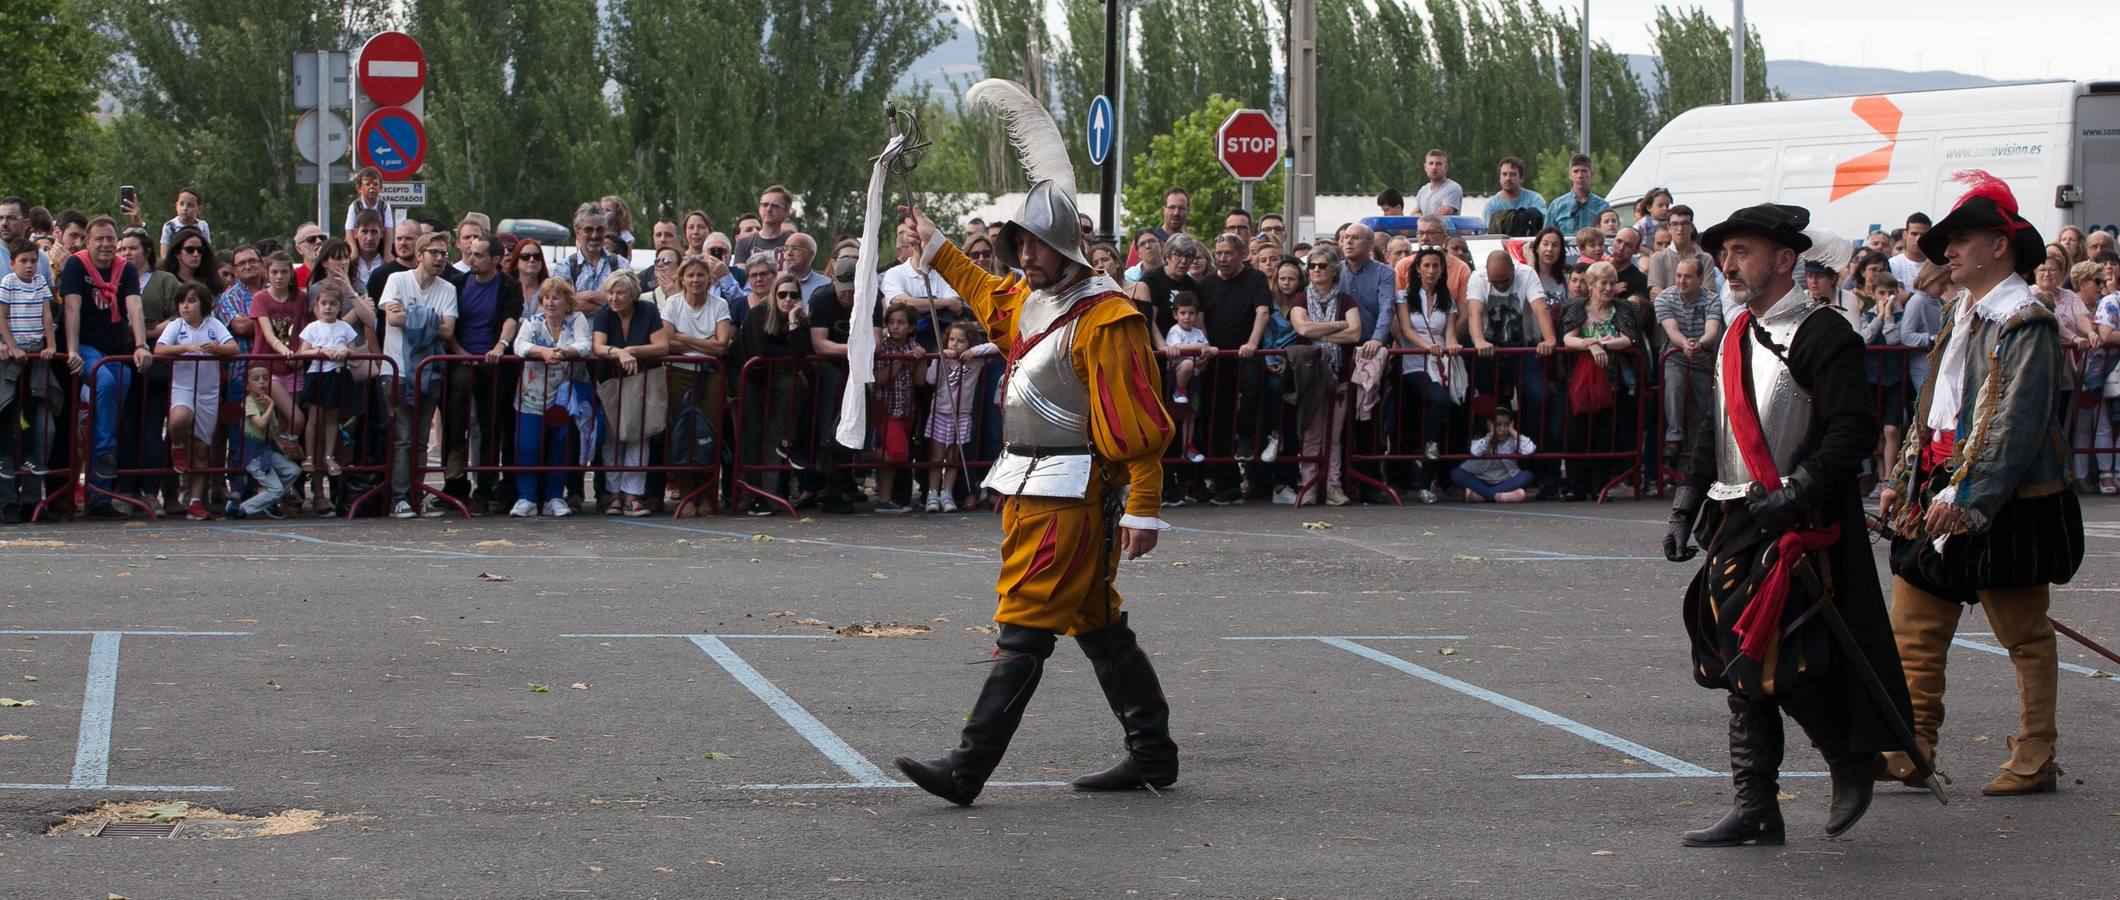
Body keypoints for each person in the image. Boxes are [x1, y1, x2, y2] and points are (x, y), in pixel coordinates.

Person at [892, 80, 1176, 806]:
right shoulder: (1028, 299)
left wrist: (1143, 507)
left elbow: (1138, 425)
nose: (1024, 257)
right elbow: (986, 295)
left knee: (1023, 624)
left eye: (1034, 246)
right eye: (1020, 245)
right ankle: (1153, 750)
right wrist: (937, 248)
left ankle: (967, 766)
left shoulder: (1108, 318)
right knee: (1098, 622)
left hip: (1075, 494)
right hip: (1026, 482)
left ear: (1060, 246)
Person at [1662, 202, 1911, 847]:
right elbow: (1712, 432)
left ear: (1784, 259)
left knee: (1781, 660)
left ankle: (1845, 759)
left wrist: (1797, 493)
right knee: (1739, 655)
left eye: (1741, 251)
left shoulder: (1826, 334)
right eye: (1726, 253)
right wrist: (1686, 506)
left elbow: (1850, 431)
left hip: (1801, 522)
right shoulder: (1736, 332)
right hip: (1733, 518)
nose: (1728, 263)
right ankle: (1757, 806)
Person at [1877, 171, 2083, 798]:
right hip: (1940, 485)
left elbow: (2014, 429)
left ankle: (2037, 754)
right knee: (1914, 625)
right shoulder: (1961, 312)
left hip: (2008, 501)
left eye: (1962, 238)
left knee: (2023, 633)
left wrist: (1965, 499)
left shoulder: (2027, 321)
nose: (1949, 251)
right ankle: (1911, 747)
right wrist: (1903, 478)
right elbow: (1931, 409)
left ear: (2000, 244)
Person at [60, 216, 151, 514]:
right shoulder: (76, 264)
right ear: (88, 242)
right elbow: (72, 307)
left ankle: (100, 485)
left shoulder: (125, 268)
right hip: (87, 347)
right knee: (107, 385)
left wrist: (140, 345)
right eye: (99, 239)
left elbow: (134, 306)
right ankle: (97, 494)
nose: (106, 244)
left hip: (116, 350)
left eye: (111, 239)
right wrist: (72, 350)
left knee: (113, 408)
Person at [441, 234, 524, 513]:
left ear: (496, 259)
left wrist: (501, 345)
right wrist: (459, 351)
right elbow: (449, 322)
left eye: (478, 255)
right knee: (457, 409)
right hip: (462, 358)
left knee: (490, 425)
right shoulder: (459, 283)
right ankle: (455, 478)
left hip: (493, 361)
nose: (471, 259)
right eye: (470, 253)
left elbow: (511, 318)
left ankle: (485, 487)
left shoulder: (509, 286)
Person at [379, 233, 460, 518]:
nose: (439, 259)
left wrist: (412, 315)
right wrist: (429, 317)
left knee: (421, 438)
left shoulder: (448, 289)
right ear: (420, 254)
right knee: (403, 437)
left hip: (430, 371)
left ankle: (417, 493)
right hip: (397, 370)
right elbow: (393, 318)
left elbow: (448, 330)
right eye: (434, 253)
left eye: (444, 254)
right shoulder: (397, 281)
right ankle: (399, 497)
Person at [151, 281, 235, 519]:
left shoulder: (213, 324)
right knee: (179, 419)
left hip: (208, 391)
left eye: (191, 301)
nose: (185, 307)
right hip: (183, 386)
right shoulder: (176, 326)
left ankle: (195, 499)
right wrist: (187, 347)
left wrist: (216, 349)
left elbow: (233, 347)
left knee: (201, 449)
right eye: (182, 302)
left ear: (203, 304)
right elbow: (160, 349)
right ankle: (177, 445)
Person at [1559, 262, 1643, 501]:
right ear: (1591, 285)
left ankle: (1600, 485)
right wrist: (1590, 344)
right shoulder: (1576, 308)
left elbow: (1629, 338)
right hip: (1580, 383)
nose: (1607, 288)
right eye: (1602, 283)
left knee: (1604, 435)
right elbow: (1567, 338)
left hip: (1614, 381)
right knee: (1576, 433)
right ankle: (1576, 486)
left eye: (1611, 283)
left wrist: (1603, 344)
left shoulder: (1623, 308)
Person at [510, 278, 591, 518]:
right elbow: (519, 345)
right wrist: (542, 351)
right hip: (531, 395)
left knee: (560, 446)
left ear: (567, 301)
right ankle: (527, 497)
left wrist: (565, 352)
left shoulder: (576, 319)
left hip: (563, 398)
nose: (550, 302)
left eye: (556, 297)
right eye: (546, 297)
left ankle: (554, 496)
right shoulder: (532, 322)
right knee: (528, 446)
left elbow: (586, 344)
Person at [589, 271, 668, 517]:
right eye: (610, 292)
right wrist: (619, 353)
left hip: (642, 381)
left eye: (619, 292)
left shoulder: (647, 310)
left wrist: (633, 350)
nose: (614, 297)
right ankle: (614, 495)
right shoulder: (604, 314)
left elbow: (662, 345)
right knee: (612, 437)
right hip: (611, 381)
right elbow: (597, 346)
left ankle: (633, 495)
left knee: (638, 435)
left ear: (632, 293)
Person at [661, 257, 734, 517]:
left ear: (709, 279)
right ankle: (687, 492)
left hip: (711, 373)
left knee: (709, 433)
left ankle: (707, 493)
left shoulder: (720, 304)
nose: (695, 280)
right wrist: (705, 342)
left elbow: (721, 345)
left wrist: (684, 339)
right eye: (690, 275)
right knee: (682, 432)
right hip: (679, 373)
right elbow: (667, 342)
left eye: (700, 275)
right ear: (682, 279)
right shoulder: (673, 304)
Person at [1290, 250, 1359, 505]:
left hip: (1338, 376)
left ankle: (1332, 485)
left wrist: (1322, 335)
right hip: (1311, 376)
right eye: (1312, 266)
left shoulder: (1346, 300)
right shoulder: (1300, 299)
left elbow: (1355, 334)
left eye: (1322, 266)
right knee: (1311, 433)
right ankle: (1308, 485)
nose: (1316, 270)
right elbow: (1303, 328)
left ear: (1333, 270)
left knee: (1334, 435)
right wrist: (1340, 325)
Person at [1394, 247, 1461, 503]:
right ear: (1418, 270)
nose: (1431, 270)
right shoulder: (1404, 296)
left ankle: (1431, 472)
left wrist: (1452, 345)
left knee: (1449, 408)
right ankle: (1429, 447)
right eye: (1427, 266)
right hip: (1415, 363)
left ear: (1442, 269)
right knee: (1439, 401)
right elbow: (1406, 330)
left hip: (1441, 363)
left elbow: (1451, 333)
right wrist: (1427, 348)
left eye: (1436, 266)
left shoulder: (1448, 299)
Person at [0, 239, 56, 522]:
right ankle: (7, 496)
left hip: (36, 357)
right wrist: (12, 347)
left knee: (36, 417)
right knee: (8, 413)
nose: (29, 266)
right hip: (13, 360)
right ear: (12, 263)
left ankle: (31, 494)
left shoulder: (40, 284)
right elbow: (2, 318)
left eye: (33, 261)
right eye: (24, 261)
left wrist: (51, 344)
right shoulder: (7, 283)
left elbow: (48, 315)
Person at [1655, 256, 1723, 473]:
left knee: (1701, 410)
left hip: (1702, 361)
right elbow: (1671, 329)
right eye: (1678, 276)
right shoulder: (1664, 298)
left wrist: (1699, 344)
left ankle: (1692, 468)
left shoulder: (1712, 300)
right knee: (1674, 387)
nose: (1682, 281)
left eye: (1688, 276)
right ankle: (1673, 438)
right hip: (1674, 357)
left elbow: (1712, 331)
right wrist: (1685, 344)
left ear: (1701, 278)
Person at [297, 282, 361, 507]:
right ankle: (310, 456)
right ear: (317, 305)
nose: (328, 308)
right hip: (318, 375)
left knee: (333, 418)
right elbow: (302, 352)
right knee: (314, 417)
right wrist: (321, 352)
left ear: (340, 306)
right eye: (324, 303)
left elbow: (354, 351)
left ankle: (328, 455)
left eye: (333, 304)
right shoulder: (312, 328)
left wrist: (345, 351)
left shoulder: (344, 327)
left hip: (338, 375)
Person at [924, 320, 997, 512]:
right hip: (940, 411)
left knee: (953, 456)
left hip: (962, 414)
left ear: (969, 343)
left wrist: (974, 351)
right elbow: (930, 379)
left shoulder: (976, 360)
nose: (954, 344)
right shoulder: (942, 358)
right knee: (937, 456)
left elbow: (998, 344)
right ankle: (932, 493)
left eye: (961, 341)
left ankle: (946, 493)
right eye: (952, 340)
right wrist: (938, 359)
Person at [224, 365, 302, 519]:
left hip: (266, 449)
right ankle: (242, 508)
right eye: (256, 379)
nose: (262, 382)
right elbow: (260, 423)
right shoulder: (249, 401)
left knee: (293, 470)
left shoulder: (265, 401)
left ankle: (266, 496)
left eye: (265, 378)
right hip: (252, 453)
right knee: (277, 490)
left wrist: (285, 448)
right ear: (247, 385)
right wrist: (271, 406)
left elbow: (272, 431)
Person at [868, 304, 922, 514]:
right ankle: (863, 457)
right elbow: (878, 379)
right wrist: (900, 362)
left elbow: (919, 381)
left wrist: (919, 358)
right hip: (885, 409)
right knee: (898, 454)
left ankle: (884, 499)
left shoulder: (913, 345)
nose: (895, 327)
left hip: (905, 409)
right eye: (891, 322)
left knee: (895, 455)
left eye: (901, 323)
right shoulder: (883, 348)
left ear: (910, 327)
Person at [1164, 291, 1214, 462]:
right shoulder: (1174, 331)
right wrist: (1200, 349)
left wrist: (1208, 351)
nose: (1187, 317)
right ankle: (1179, 390)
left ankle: (1187, 447)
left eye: (1191, 313)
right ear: (1175, 314)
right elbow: (1177, 347)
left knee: (1192, 414)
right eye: (1183, 313)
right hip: (1177, 376)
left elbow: (1208, 348)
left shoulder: (1198, 333)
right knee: (1187, 364)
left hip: (1195, 380)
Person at [1453, 408, 1534, 502]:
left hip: (1504, 481)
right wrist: (1490, 435)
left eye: (1507, 425)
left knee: (1527, 476)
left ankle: (1482, 496)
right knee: (1456, 473)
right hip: (1480, 481)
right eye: (1498, 425)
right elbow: (1475, 452)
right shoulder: (1481, 438)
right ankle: (1498, 497)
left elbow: (1529, 450)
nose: (1503, 429)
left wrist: (1513, 431)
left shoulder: (1512, 439)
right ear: (1489, 424)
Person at [560, 207, 627, 313]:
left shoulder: (620, 264)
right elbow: (560, 304)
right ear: (578, 233)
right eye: (588, 230)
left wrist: (589, 296)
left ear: (605, 231)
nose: (594, 235)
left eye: (599, 229)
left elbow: (628, 302)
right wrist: (609, 305)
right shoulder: (565, 266)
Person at [733, 185, 799, 268]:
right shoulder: (744, 243)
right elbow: (742, 277)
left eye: (774, 206)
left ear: (786, 212)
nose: (768, 209)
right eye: (765, 204)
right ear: (759, 209)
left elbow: (798, 276)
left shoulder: (794, 244)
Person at [1546, 154, 1609, 236]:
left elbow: (1608, 236)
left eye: (1584, 171)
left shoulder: (1602, 206)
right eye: (1576, 171)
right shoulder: (1556, 206)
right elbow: (1547, 236)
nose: (1580, 175)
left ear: (1592, 174)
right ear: (1570, 175)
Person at [1484, 156, 1546, 233]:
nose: (1508, 178)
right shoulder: (1491, 205)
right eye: (1504, 174)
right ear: (1500, 178)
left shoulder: (1535, 199)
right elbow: (1488, 234)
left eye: (1512, 174)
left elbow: (1543, 228)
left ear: (1521, 178)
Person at [157, 187, 209, 257]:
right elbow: (164, 254)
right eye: (181, 204)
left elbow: (207, 251)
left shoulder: (203, 226)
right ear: (176, 206)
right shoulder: (170, 226)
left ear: (199, 209)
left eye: (190, 205)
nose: (184, 208)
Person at [344, 167, 395, 234]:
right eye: (367, 184)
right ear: (359, 188)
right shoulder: (354, 207)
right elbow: (349, 231)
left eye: (375, 184)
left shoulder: (384, 207)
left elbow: (389, 231)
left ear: (381, 188)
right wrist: (353, 245)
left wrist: (387, 245)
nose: (372, 187)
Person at [1413, 149, 1463, 216]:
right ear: (1425, 167)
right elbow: (1413, 214)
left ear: (1445, 167)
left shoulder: (1453, 188)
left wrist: (1421, 216)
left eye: (1438, 164)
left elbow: (1443, 215)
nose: (1434, 167)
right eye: (1431, 163)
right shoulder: (1423, 190)